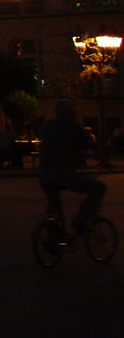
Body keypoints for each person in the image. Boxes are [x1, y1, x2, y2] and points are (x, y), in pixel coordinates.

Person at [39, 99, 111, 239]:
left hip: (44, 174)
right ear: (71, 112)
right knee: (99, 188)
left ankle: (51, 235)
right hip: (63, 174)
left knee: (54, 204)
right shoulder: (74, 126)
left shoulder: (48, 125)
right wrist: (104, 162)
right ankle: (80, 220)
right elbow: (93, 146)